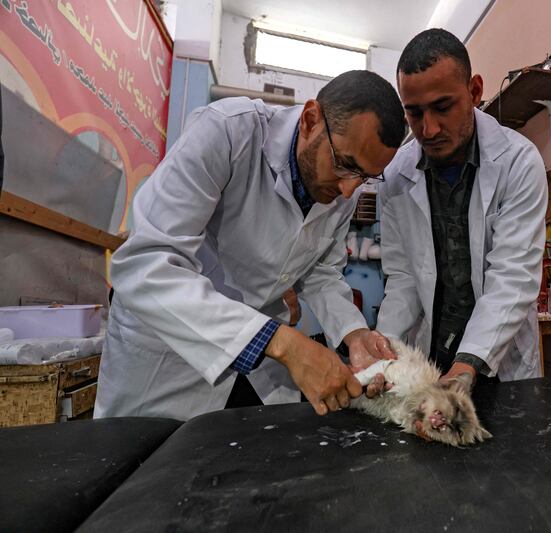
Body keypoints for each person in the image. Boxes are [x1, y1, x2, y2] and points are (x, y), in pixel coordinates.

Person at [94, 70, 403, 421]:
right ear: (310, 120)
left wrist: (355, 332)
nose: (349, 190)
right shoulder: (228, 132)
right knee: (143, 465)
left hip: (254, 360)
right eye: (345, 165)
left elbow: (321, 272)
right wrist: (284, 343)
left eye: (365, 177)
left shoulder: (341, 190)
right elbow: (146, 264)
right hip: (165, 353)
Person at [376, 29, 548, 387]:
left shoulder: (518, 161)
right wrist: (384, 353)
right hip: (431, 360)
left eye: (442, 107)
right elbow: (403, 278)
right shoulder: (395, 176)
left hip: (498, 359)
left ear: (474, 92)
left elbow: (513, 275)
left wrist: (469, 361)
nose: (429, 128)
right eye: (414, 113)